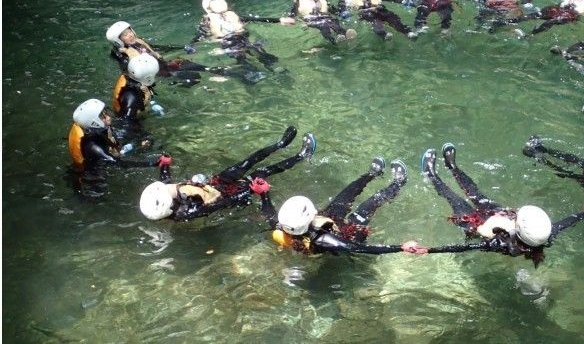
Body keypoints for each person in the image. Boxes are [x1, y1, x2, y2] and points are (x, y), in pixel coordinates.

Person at [418, 144, 584, 265]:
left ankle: (431, 174)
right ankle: (452, 166)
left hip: (478, 227)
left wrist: (429, 250)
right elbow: (567, 222)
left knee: (456, 201)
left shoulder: (499, 243)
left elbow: (463, 247)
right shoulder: (544, 235)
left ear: (518, 229)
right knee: (476, 194)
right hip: (499, 217)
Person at [139, 126, 315, 221]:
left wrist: (164, 166)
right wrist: (251, 191)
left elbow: (166, 180)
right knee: (262, 172)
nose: (168, 187)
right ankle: (302, 156)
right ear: (169, 204)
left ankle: (280, 144)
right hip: (228, 195)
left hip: (215, 183)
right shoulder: (191, 210)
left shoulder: (166, 199)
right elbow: (223, 203)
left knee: (247, 162)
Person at [260, 157, 423, 255]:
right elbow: (359, 249)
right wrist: (401, 247)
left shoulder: (285, 226)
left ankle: (372, 174)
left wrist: (263, 193)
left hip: (323, 224)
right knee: (369, 205)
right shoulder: (325, 240)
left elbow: (269, 215)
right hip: (345, 234)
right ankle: (398, 183)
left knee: (346, 195)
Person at [67, 98, 158, 196]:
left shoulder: (96, 131)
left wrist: (136, 144)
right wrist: (153, 163)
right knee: (100, 196)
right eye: (102, 116)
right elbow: (119, 164)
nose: (108, 116)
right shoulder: (93, 147)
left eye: (105, 112)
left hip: (100, 162)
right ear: (94, 122)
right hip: (91, 180)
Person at [194, 0, 281, 82]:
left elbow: (258, 19)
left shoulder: (232, 15)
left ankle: (274, 67)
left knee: (260, 52)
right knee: (242, 59)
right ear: (208, 7)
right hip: (229, 44)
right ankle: (251, 76)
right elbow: (201, 34)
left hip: (244, 40)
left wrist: (279, 19)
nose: (221, 1)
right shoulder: (208, 20)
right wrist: (192, 45)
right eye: (216, 0)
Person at [106, 20, 222, 87]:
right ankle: (181, 85)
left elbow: (158, 48)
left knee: (198, 67)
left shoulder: (138, 41)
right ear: (118, 40)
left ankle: (219, 72)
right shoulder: (121, 54)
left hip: (166, 64)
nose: (130, 35)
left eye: (129, 31)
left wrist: (182, 47)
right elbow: (130, 74)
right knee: (194, 77)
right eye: (125, 35)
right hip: (159, 74)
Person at [338, 0, 417, 40]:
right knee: (376, 24)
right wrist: (344, 12)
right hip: (366, 12)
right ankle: (384, 35)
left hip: (380, 9)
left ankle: (408, 32)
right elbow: (341, 5)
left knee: (394, 19)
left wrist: (402, 1)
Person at [280, 0, 357, 44]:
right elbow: (293, 12)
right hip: (311, 19)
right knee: (324, 26)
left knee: (335, 22)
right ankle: (333, 40)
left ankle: (345, 33)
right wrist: (289, 18)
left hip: (326, 17)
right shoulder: (299, 0)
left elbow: (331, 9)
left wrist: (341, 12)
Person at [112, 52, 165, 120]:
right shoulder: (132, 97)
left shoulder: (130, 75)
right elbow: (126, 122)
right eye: (155, 74)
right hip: (129, 116)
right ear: (147, 78)